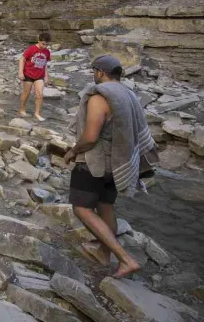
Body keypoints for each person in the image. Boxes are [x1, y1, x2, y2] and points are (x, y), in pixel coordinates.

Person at [64, 55, 157, 279]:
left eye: (93, 71)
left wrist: (73, 151)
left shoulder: (99, 97)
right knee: (106, 207)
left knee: (82, 208)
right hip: (118, 164)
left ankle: (125, 259)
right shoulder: (128, 94)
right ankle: (104, 255)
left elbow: (90, 137)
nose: (93, 75)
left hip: (94, 163)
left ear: (99, 72)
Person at [19, 31, 51, 121]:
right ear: (38, 41)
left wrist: (46, 76)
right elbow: (22, 59)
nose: (44, 46)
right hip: (28, 74)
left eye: (46, 45)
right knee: (26, 92)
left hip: (39, 75)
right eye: (43, 44)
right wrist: (21, 72)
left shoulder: (47, 52)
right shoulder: (31, 49)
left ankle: (37, 114)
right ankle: (22, 110)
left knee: (40, 94)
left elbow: (45, 64)